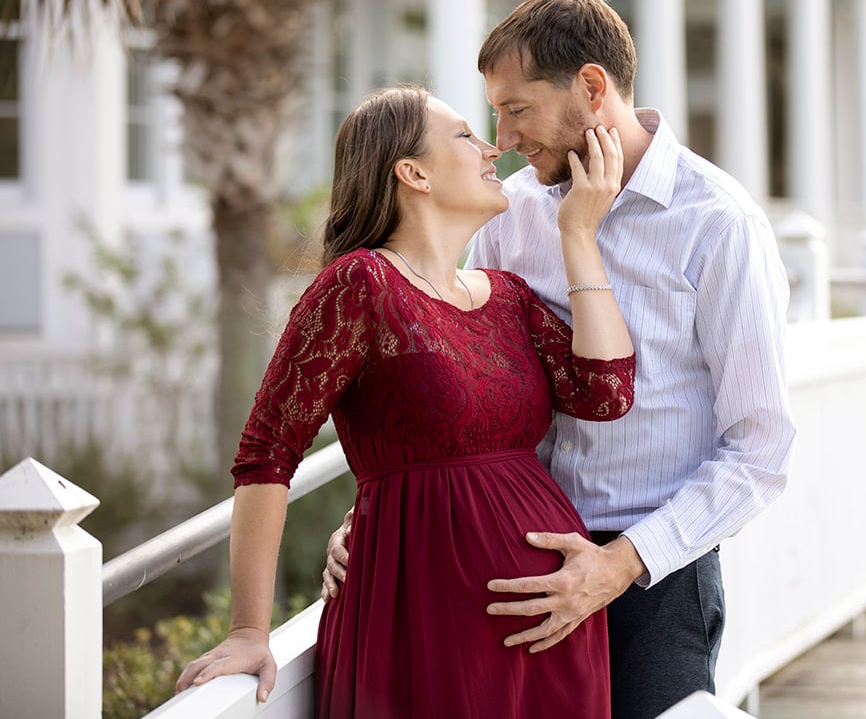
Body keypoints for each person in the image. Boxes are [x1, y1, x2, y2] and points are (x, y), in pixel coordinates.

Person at [325, 0, 797, 718]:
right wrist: (375, 516)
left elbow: (761, 450)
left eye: (517, 109)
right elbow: (455, 385)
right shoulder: (509, 215)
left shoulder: (719, 224)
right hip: (509, 563)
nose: (504, 137)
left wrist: (617, 566)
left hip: (652, 577)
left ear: (591, 88)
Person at [175, 85, 636, 718]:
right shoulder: (360, 285)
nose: (492, 147)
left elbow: (606, 392)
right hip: (425, 616)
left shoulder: (508, 295)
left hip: (552, 618)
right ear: (413, 173)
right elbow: (266, 452)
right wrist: (250, 630)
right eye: (466, 137)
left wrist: (579, 235)